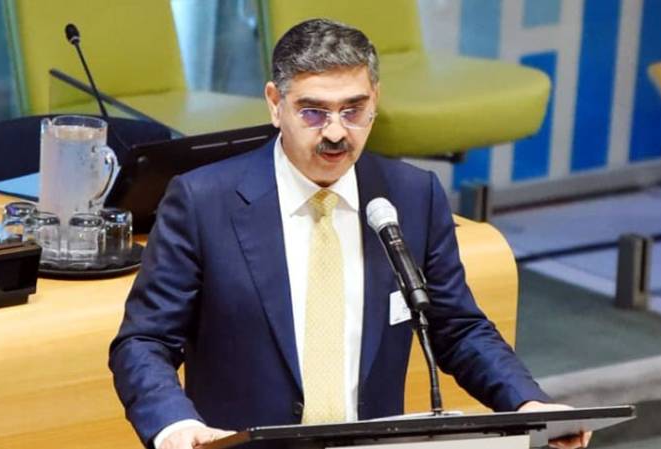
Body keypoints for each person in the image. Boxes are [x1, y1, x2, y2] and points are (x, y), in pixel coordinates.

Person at [109, 18, 591, 449]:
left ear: (375, 101)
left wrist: (527, 402)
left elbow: (457, 328)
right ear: (276, 104)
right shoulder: (203, 201)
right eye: (313, 112)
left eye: (353, 110)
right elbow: (144, 341)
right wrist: (174, 425)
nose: (336, 133)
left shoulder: (412, 196)